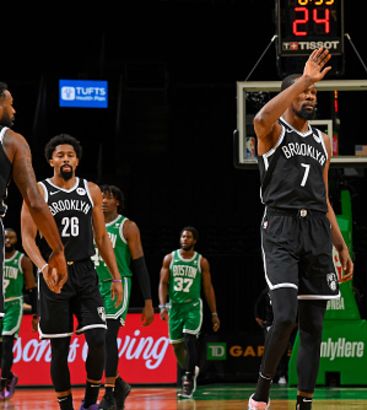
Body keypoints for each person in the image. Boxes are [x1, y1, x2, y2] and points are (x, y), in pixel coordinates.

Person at [248, 47, 354, 410]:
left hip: (316, 231)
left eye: (313, 92)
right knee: (284, 317)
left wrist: (340, 245)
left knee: (313, 326)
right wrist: (303, 78)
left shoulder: (322, 141)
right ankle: (261, 392)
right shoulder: (272, 132)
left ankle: (304, 403)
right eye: (305, 92)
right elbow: (261, 117)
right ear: (289, 95)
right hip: (280, 226)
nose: (311, 97)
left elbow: (324, 198)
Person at [21, 133, 123, 410]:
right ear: (51, 161)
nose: (65, 159)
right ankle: (65, 406)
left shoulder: (91, 190)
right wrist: (43, 267)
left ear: (77, 161)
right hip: (54, 274)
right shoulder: (38, 191)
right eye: (60, 155)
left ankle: (90, 401)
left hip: (85, 271)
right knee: (60, 348)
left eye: (70, 155)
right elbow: (27, 238)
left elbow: (101, 238)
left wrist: (115, 276)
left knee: (98, 338)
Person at [0, 81, 67, 341]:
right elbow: (35, 201)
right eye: (10, 104)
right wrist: (58, 250)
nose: (14, 110)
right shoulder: (12, 140)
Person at [93, 185, 155, 408]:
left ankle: (109, 393)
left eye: (109, 198)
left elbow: (139, 264)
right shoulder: (91, 224)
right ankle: (119, 384)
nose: (104, 201)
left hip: (117, 285)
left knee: (108, 337)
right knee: (96, 340)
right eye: (101, 197)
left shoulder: (127, 227)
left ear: (118, 202)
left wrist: (148, 301)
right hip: (94, 286)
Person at [159, 226, 220, 399]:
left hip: (192, 307)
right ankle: (191, 369)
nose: (185, 239)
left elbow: (208, 288)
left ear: (194, 241)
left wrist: (214, 313)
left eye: (189, 237)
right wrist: (162, 306)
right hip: (175, 307)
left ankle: (188, 379)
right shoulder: (170, 258)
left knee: (189, 339)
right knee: (176, 346)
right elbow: (163, 283)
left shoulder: (201, 261)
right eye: (183, 236)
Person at [1, 227, 34, 398]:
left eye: (11, 238)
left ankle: (3, 383)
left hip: (13, 305)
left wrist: (36, 311)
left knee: (7, 344)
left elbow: (31, 287)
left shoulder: (23, 260)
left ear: (16, 240)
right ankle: (10, 376)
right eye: (5, 237)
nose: (8, 240)